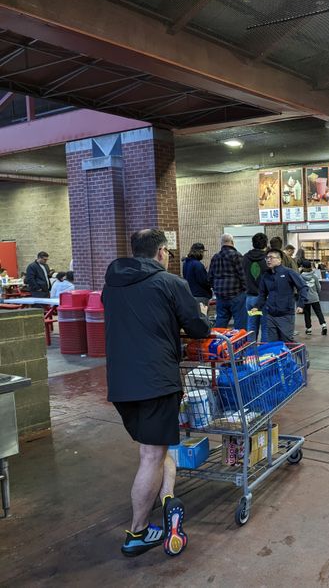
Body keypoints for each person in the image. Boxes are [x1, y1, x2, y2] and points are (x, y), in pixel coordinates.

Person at [103, 228, 211, 557]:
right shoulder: (170, 283)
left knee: (152, 450)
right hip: (155, 381)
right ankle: (136, 533)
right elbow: (198, 328)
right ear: (162, 252)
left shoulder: (112, 284)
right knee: (152, 455)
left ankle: (165, 497)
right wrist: (202, 316)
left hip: (121, 383)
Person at [251, 249, 308, 342]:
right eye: (267, 258)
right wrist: (257, 306)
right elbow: (262, 294)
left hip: (286, 315)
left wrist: (301, 304)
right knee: (273, 344)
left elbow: (303, 287)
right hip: (271, 315)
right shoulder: (265, 275)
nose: (268, 260)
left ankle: (300, 355)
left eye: (271, 257)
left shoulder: (288, 272)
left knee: (287, 342)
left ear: (279, 259)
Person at [208, 234, 247, 329]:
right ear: (233, 243)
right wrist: (245, 289)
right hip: (236, 295)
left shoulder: (215, 257)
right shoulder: (237, 255)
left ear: (221, 243)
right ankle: (239, 342)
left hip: (220, 296)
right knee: (240, 321)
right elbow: (243, 275)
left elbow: (210, 277)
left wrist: (216, 289)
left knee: (221, 321)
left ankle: (219, 341)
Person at [242, 233, 269, 341]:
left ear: (252, 243)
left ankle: (251, 353)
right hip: (264, 299)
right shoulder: (267, 259)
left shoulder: (245, 258)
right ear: (265, 244)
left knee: (252, 327)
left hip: (250, 298)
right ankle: (265, 354)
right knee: (265, 327)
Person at [300, 260, 327, 336]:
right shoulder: (314, 276)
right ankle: (324, 325)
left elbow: (299, 288)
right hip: (315, 298)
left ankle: (309, 329)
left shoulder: (300, 277)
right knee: (318, 312)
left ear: (302, 267)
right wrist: (315, 292)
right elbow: (319, 288)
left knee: (307, 314)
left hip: (305, 298)